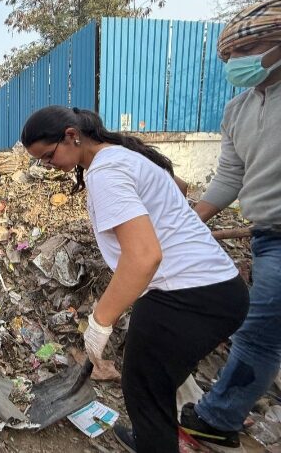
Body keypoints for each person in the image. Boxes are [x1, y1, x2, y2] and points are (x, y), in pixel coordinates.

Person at [21, 106, 249, 453]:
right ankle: (152, 437)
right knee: (156, 380)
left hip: (187, 294)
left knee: (143, 390)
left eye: (49, 156)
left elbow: (143, 257)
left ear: (71, 135)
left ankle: (153, 442)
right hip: (220, 288)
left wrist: (101, 319)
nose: (49, 166)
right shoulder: (125, 155)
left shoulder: (105, 173)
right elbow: (179, 187)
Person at [179, 0, 281, 451]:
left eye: (249, 51)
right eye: (229, 60)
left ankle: (216, 419)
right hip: (266, 236)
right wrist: (187, 222)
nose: (237, 65)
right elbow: (229, 178)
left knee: (256, 332)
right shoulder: (237, 109)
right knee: (264, 328)